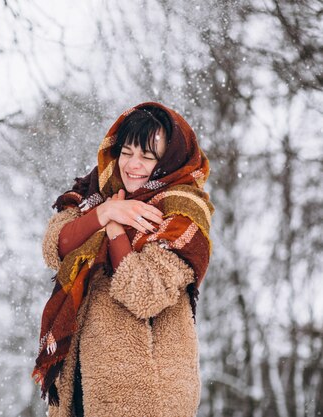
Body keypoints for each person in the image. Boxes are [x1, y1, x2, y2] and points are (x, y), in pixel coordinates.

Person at [32, 102, 215, 417]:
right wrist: (105, 212)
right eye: (127, 152)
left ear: (168, 160)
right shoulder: (97, 193)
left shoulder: (182, 212)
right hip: (81, 382)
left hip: (147, 391)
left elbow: (143, 292)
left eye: (147, 156)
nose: (133, 164)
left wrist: (114, 230)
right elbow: (55, 247)